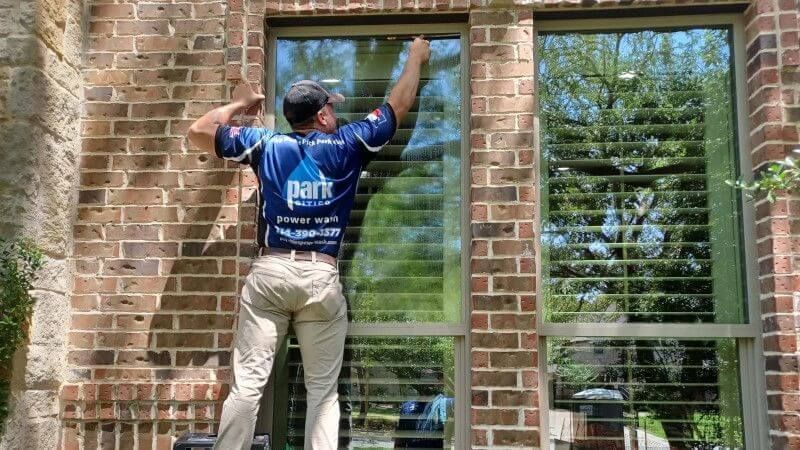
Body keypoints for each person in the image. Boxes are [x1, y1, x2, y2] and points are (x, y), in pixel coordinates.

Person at [187, 36, 431, 450]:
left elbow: (198, 131)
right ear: (320, 117)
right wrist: (416, 57)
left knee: (247, 388)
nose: (335, 112)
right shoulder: (347, 144)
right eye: (331, 107)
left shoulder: (266, 145)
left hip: (271, 273)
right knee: (323, 393)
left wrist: (240, 103)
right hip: (320, 276)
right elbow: (398, 105)